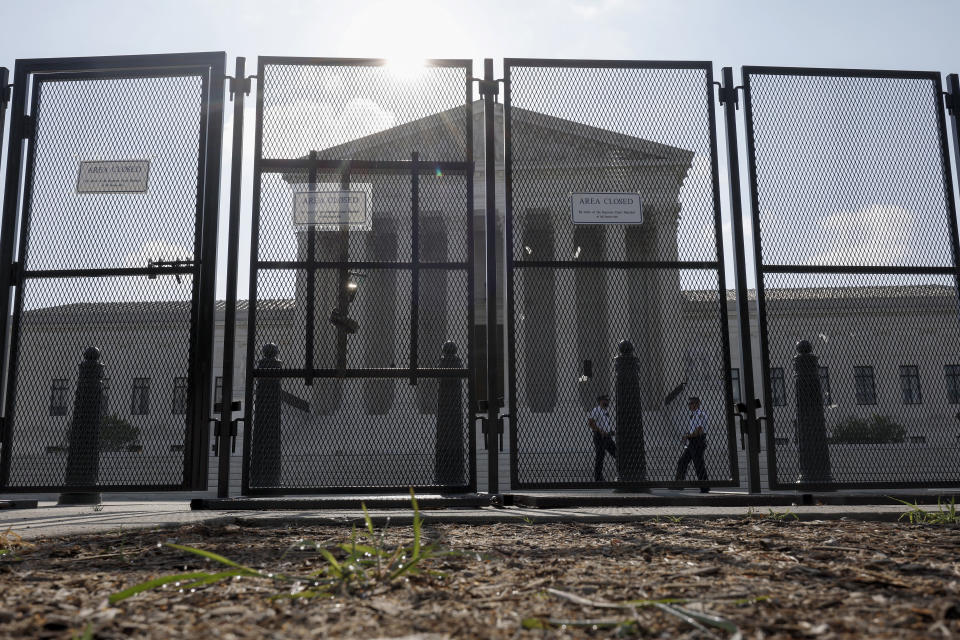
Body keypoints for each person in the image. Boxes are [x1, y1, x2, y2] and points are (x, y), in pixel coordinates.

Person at [675, 396, 709, 493]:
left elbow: (699, 430)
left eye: (692, 403)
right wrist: (688, 435)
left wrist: (687, 436)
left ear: (697, 404)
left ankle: (705, 487)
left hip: (697, 442)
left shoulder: (700, 414)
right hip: (692, 442)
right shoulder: (694, 414)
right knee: (682, 462)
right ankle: (678, 485)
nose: (689, 405)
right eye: (689, 403)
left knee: (699, 465)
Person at [587, 394, 616, 482]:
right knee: (600, 456)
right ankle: (598, 477)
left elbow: (604, 425)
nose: (607, 402)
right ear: (600, 401)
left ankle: (620, 473)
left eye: (607, 400)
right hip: (600, 437)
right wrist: (600, 431)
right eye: (605, 400)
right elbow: (591, 423)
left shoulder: (605, 411)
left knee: (616, 453)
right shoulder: (596, 410)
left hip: (607, 437)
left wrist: (610, 432)